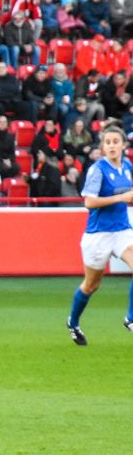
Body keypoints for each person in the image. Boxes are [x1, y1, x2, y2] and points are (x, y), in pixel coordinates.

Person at [67, 125, 133, 345]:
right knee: (91, 285)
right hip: (98, 234)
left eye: (116, 141)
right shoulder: (98, 170)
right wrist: (122, 198)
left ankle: (130, 319)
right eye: (108, 142)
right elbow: (89, 202)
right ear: (103, 147)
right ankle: (73, 322)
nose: (112, 145)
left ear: (124, 145)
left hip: (122, 230)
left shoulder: (127, 166)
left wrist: (128, 198)